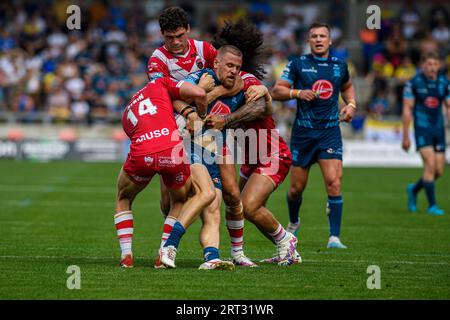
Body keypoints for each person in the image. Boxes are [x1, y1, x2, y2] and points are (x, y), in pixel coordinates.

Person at [148, 7, 254, 268]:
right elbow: (163, 96)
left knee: (214, 198)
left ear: (188, 30)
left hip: (207, 134)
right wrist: (189, 107)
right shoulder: (157, 60)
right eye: (169, 37)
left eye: (180, 35)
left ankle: (212, 256)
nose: (175, 42)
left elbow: (232, 76)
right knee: (171, 201)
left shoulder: (205, 50)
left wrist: (208, 96)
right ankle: (169, 246)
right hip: (173, 130)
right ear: (162, 35)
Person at [189, 44, 299, 266]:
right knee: (235, 202)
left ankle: (286, 239)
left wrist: (227, 119)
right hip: (250, 158)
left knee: (249, 206)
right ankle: (240, 255)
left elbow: (260, 107)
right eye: (229, 65)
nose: (233, 71)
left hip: (272, 154)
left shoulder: (247, 81)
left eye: (236, 66)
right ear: (217, 63)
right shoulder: (210, 82)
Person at [271, 22, 357, 249]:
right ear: (308, 41)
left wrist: (351, 105)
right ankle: (293, 221)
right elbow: (276, 90)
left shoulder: (340, 66)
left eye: (322, 36)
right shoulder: (298, 64)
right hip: (303, 134)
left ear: (330, 41)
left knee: (334, 183)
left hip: (329, 133)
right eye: (314, 36)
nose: (318, 39)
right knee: (296, 189)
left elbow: (347, 87)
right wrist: (297, 92)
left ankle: (334, 238)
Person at [114, 76, 215, 268]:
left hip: (144, 152)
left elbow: (134, 133)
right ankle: (163, 253)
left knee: (123, 197)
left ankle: (126, 255)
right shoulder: (160, 83)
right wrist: (199, 115)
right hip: (172, 151)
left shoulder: (127, 110)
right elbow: (199, 93)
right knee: (178, 201)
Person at [402, 52, 450, 215]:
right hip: (422, 129)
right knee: (429, 165)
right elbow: (407, 109)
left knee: (438, 171)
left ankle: (414, 189)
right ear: (423, 65)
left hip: (439, 129)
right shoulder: (414, 83)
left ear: (439, 65)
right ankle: (432, 205)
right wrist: (406, 135)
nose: (432, 67)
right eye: (428, 64)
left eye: (435, 64)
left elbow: (448, 105)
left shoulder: (445, 82)